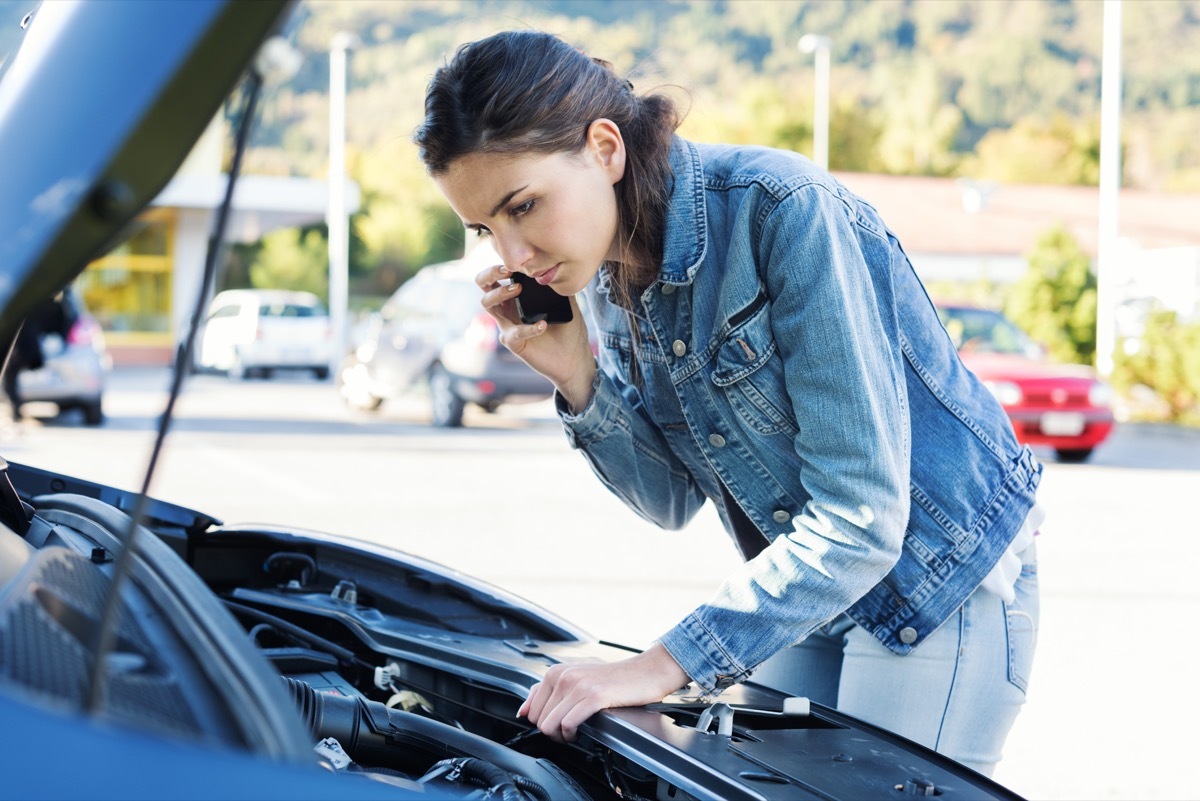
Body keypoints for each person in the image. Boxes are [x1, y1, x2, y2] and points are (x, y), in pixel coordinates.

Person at [414, 30, 1042, 777]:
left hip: (931, 579)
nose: (512, 256)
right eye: (488, 227)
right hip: (809, 579)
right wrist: (577, 376)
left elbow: (866, 516)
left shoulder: (784, 211)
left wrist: (663, 662)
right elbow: (673, 500)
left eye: (524, 205)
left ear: (605, 148)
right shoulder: (606, 276)